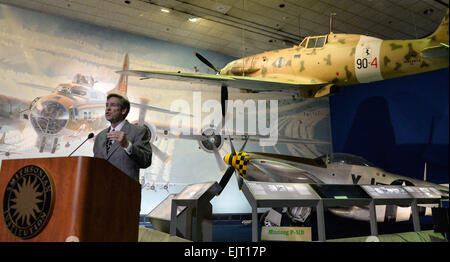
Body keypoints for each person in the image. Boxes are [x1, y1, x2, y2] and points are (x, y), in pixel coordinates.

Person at [93, 93, 152, 181]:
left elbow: (146, 161)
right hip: (101, 190)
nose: (108, 109)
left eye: (113, 105)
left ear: (124, 110)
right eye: (107, 105)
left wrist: (127, 145)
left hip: (124, 190)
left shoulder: (139, 131)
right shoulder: (100, 137)